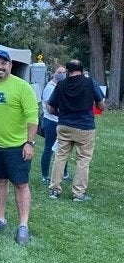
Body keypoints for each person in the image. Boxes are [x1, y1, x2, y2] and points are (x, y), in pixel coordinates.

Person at [0, 50, 38, 245]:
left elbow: (32, 117)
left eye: (3, 63)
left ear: (10, 65)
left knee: (20, 184)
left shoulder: (22, 87)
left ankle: (23, 226)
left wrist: (29, 143)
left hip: (17, 146)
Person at [47, 59, 106, 201]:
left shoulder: (60, 84)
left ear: (67, 71)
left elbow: (50, 108)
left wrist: (61, 115)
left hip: (64, 125)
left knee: (60, 157)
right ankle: (78, 193)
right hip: (85, 127)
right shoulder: (90, 82)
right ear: (83, 70)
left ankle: (54, 190)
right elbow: (101, 106)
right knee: (83, 160)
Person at [40, 64, 69, 184]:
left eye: (64, 72)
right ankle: (45, 175)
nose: (62, 74)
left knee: (63, 149)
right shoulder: (50, 88)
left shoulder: (61, 86)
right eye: (59, 72)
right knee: (49, 149)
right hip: (51, 121)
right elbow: (49, 107)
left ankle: (65, 174)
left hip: (60, 121)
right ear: (53, 74)